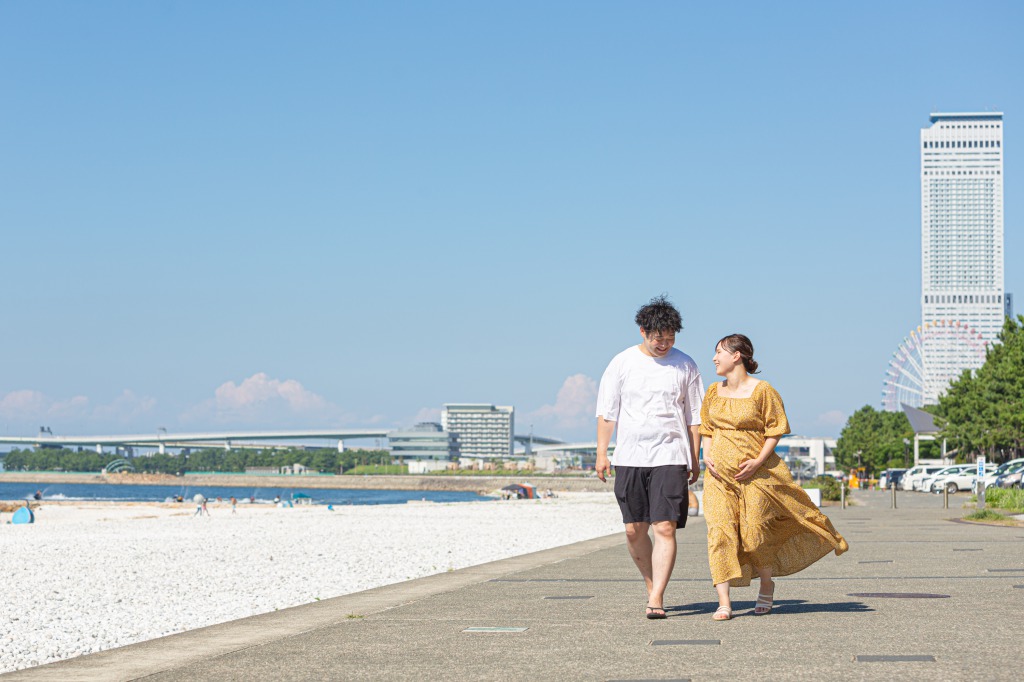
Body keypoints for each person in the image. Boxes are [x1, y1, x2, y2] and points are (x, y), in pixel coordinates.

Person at [700, 334, 848, 621]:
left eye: (719, 352)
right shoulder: (712, 391)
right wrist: (707, 455)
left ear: (737, 355)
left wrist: (757, 461)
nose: (715, 358)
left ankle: (766, 584)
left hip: (756, 476)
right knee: (720, 533)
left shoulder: (763, 390)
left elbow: (775, 428)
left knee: (755, 533)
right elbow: (706, 427)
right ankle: (724, 602)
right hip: (718, 478)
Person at [596, 295, 704, 620]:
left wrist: (694, 458)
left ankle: (657, 597)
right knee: (633, 529)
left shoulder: (685, 365)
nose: (665, 344)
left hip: (671, 454)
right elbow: (606, 412)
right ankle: (650, 584)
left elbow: (694, 416)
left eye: (671, 338)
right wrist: (602, 453)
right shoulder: (622, 363)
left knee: (665, 528)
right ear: (643, 331)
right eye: (659, 338)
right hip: (629, 455)